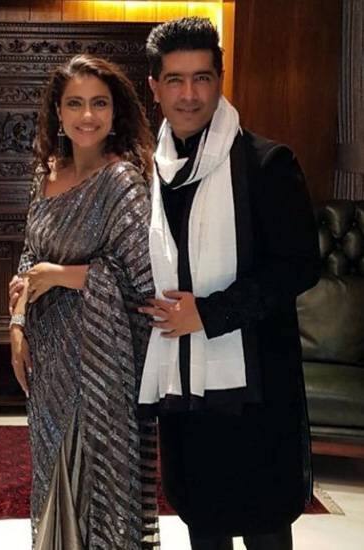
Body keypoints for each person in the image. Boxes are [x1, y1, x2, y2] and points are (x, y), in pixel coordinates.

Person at [137, 17, 320, 550]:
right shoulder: (152, 173)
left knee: (266, 525)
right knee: (205, 521)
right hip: (185, 388)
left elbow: (298, 265)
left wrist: (209, 313)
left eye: (202, 78)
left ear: (220, 80)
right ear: (154, 87)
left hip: (257, 385)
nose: (189, 95)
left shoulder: (267, 163)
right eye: (175, 80)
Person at [8, 54, 160, 549]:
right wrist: (16, 325)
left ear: (115, 112)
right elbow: (29, 256)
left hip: (100, 357)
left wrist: (61, 276)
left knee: (91, 474)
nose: (87, 115)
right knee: (50, 469)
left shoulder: (124, 183)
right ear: (58, 112)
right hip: (47, 351)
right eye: (75, 103)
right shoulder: (46, 174)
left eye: (99, 103)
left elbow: (142, 283)